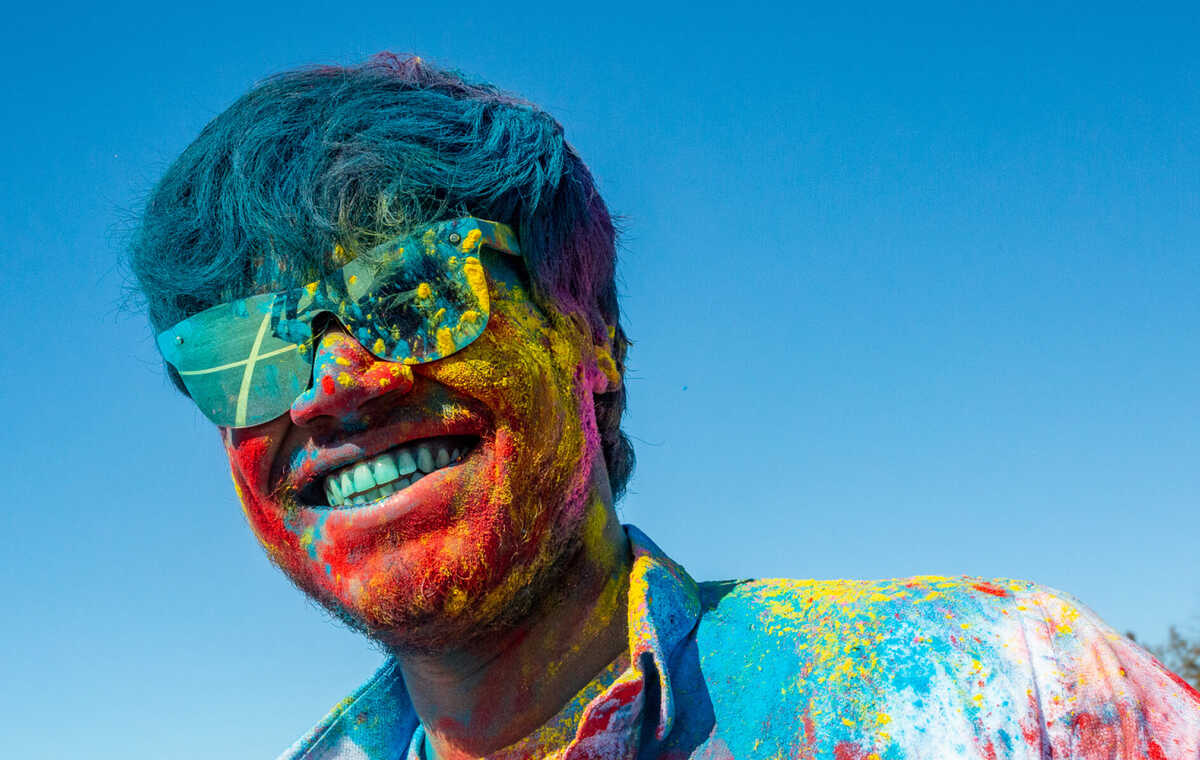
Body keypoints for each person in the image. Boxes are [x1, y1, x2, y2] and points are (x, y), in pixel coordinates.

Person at [130, 54, 1200, 759]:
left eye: (413, 291)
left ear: (590, 332)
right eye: (242, 354)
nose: (330, 384)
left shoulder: (1003, 693)